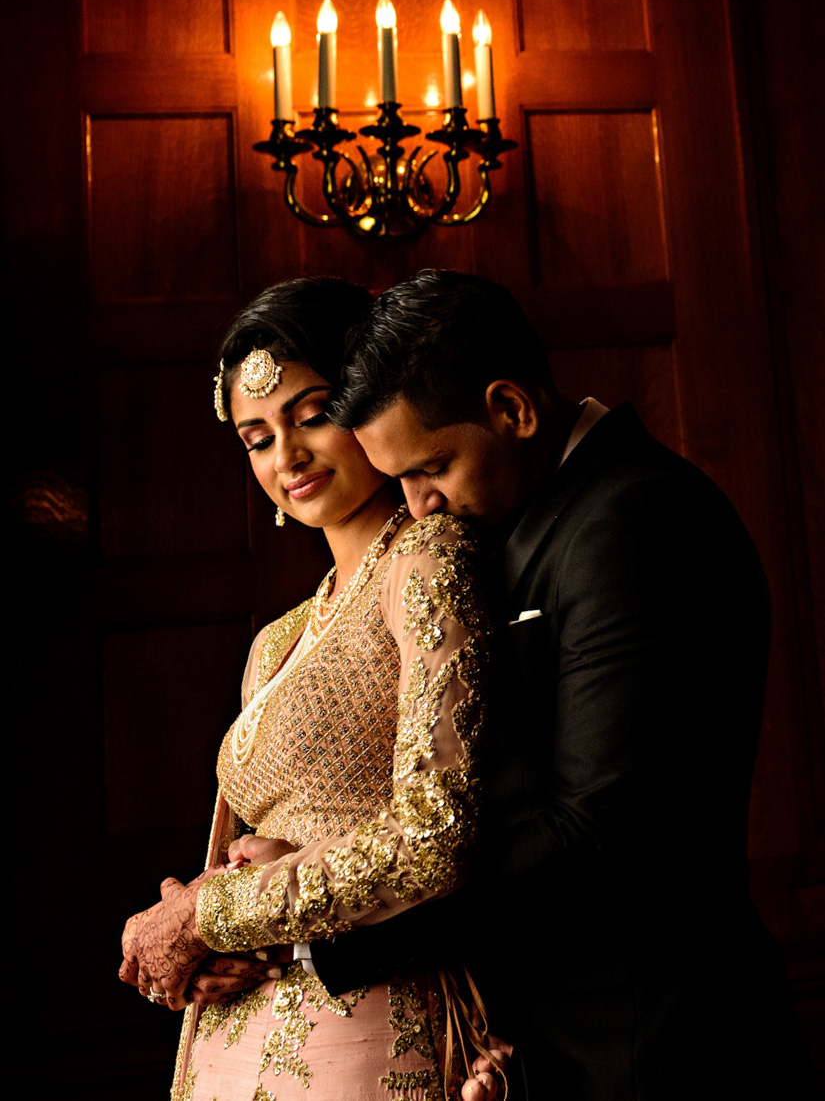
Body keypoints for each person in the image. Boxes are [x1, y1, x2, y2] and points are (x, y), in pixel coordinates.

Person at [298, 268, 814, 1100]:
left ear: (512, 408)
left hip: (652, 1047)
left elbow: (594, 834)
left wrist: (322, 935)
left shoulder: (635, 519)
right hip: (551, 1041)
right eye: (400, 481)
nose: (418, 507)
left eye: (432, 467)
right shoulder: (532, 518)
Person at [119, 277, 508, 1101]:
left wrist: (216, 913)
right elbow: (248, 854)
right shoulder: (278, 638)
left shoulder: (426, 561)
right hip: (237, 1038)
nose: (286, 457)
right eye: (257, 437)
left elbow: (436, 834)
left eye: (311, 414)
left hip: (364, 1022)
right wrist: (202, 931)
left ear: (367, 402)